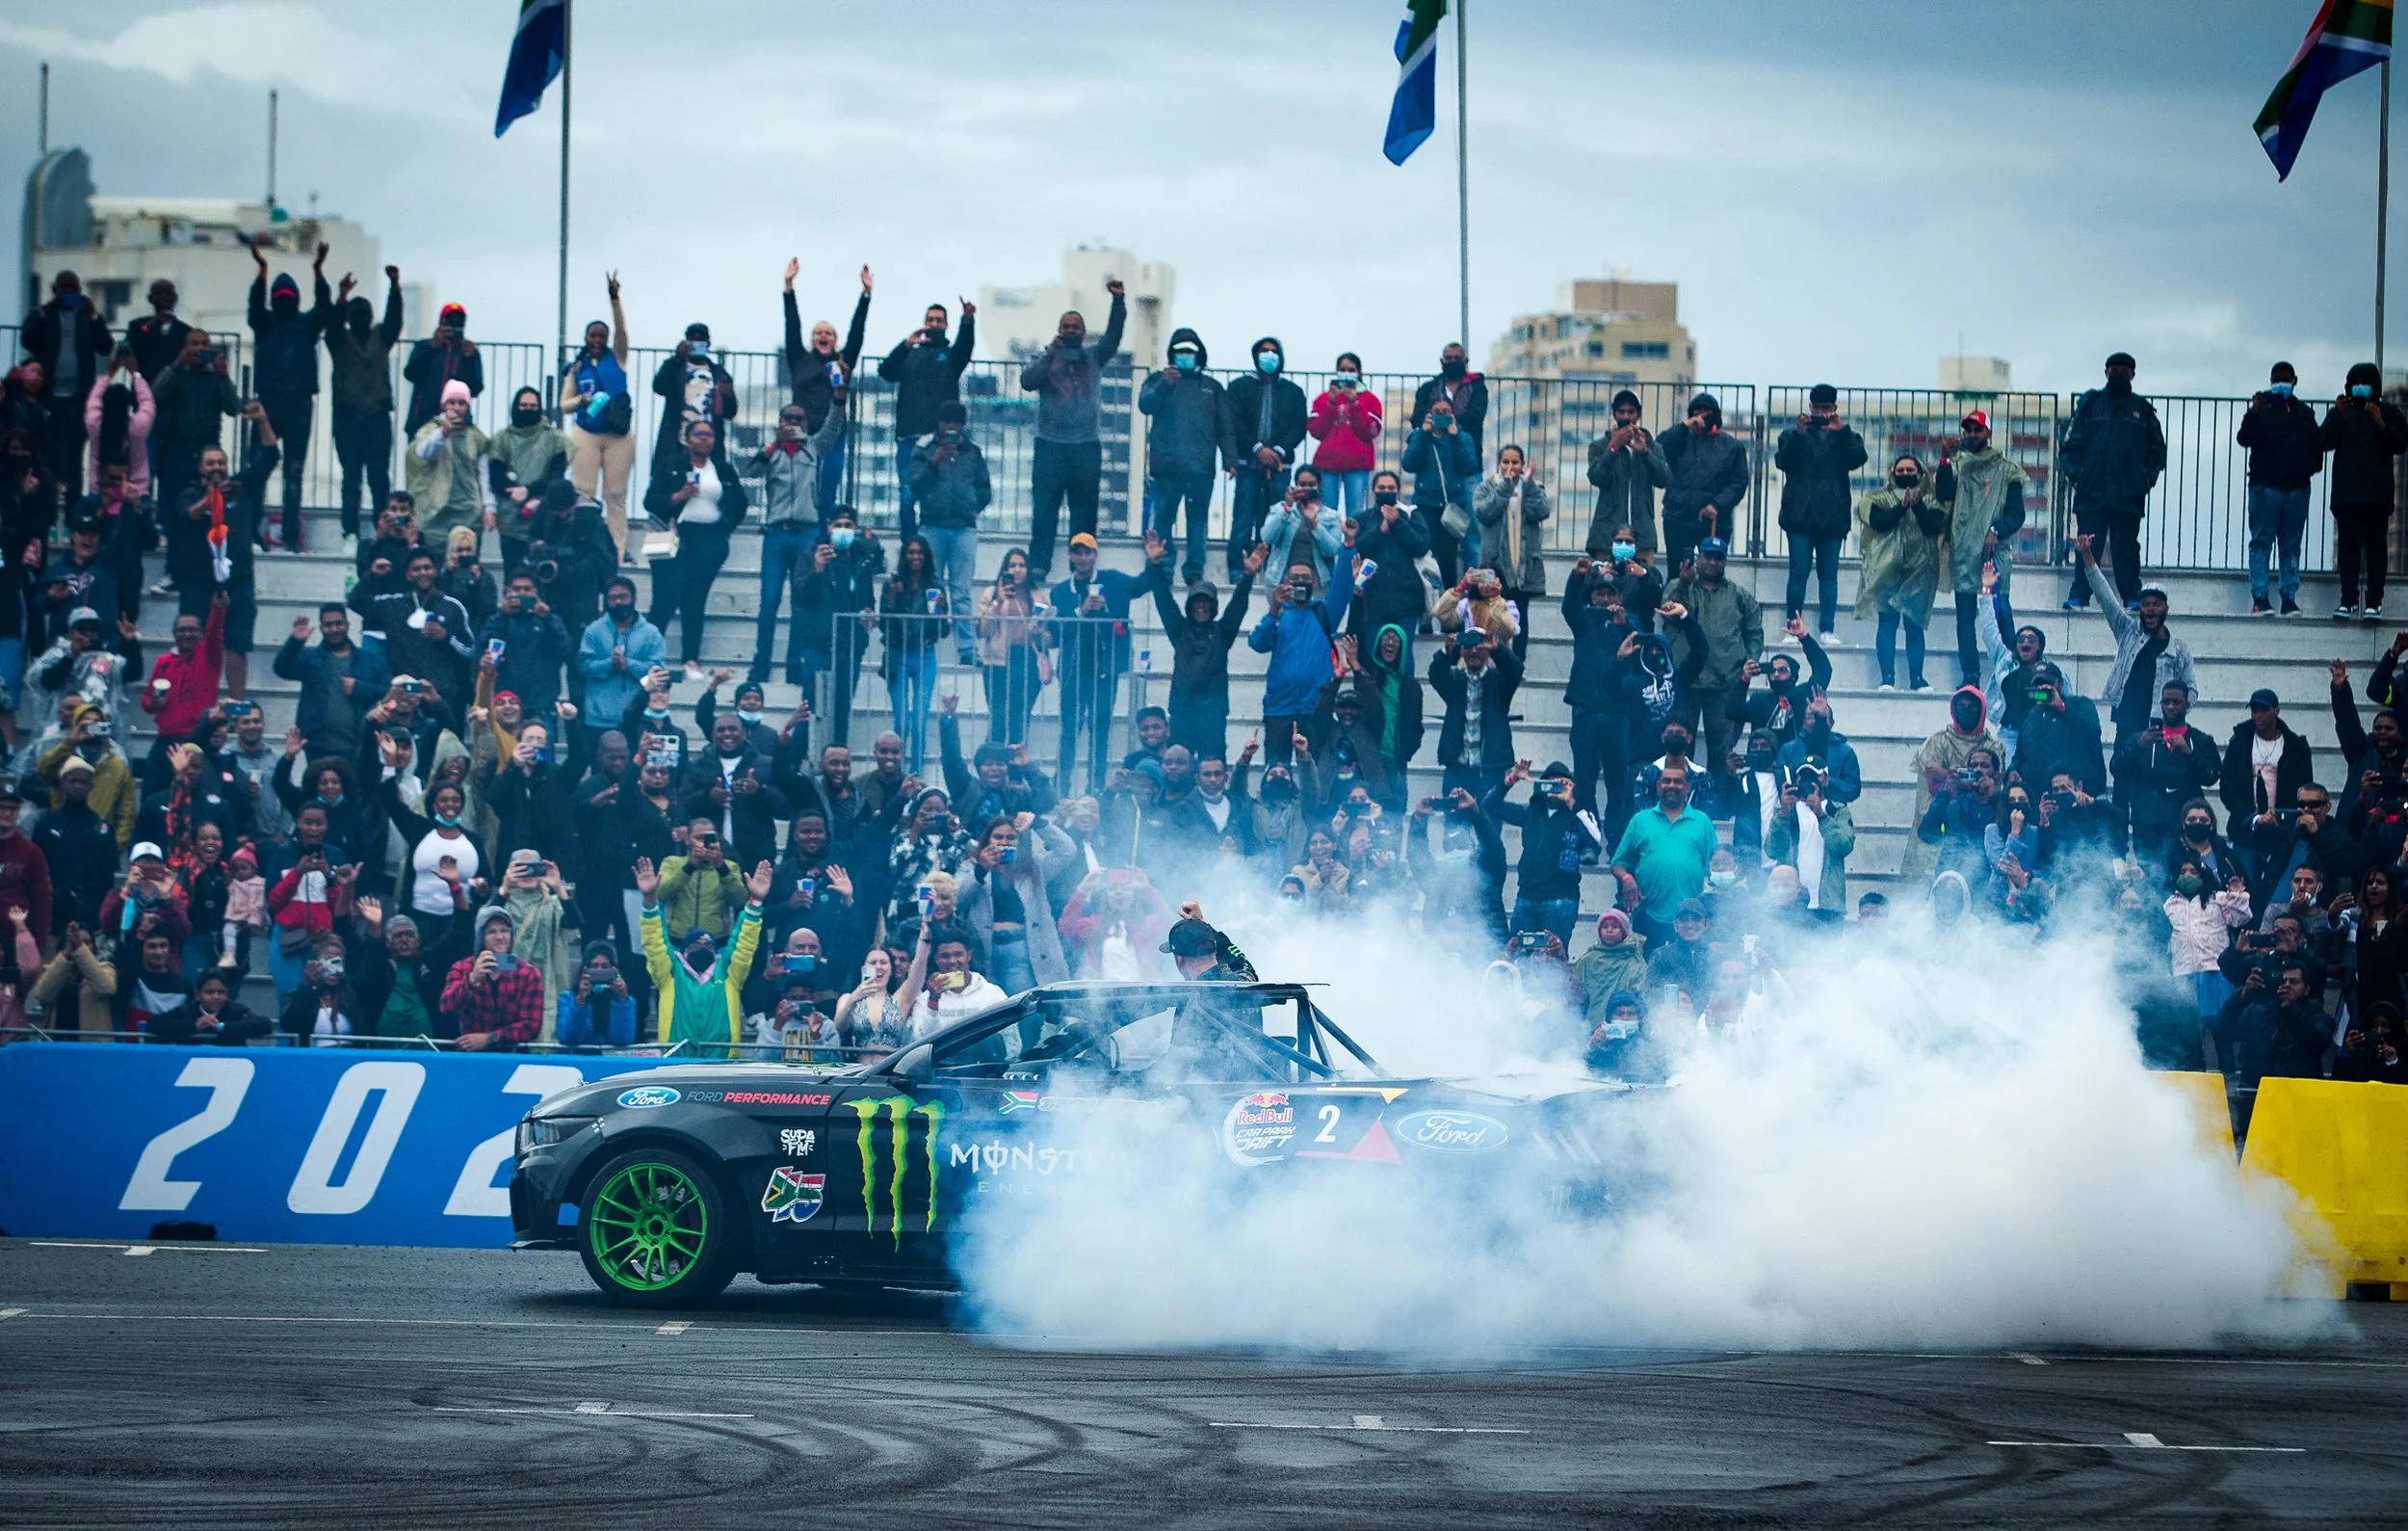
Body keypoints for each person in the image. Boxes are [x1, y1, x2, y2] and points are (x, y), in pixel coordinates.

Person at [1018, 278, 1126, 581]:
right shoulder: (1045, 357)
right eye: (1065, 326)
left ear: (1083, 332)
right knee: (1045, 509)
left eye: (1075, 326)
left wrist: (1118, 302)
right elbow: (1027, 382)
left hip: (1085, 446)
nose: (1070, 330)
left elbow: (1114, 337)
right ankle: (1039, 564)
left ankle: (1081, 565)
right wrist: (1050, 355)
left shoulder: (1093, 357)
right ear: (1058, 331)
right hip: (1050, 444)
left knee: (1084, 510)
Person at [170, 406, 275, 701]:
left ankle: (238, 706)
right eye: (210, 464)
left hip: (238, 579)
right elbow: (185, 516)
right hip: (198, 581)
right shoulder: (190, 493)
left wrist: (263, 420)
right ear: (201, 468)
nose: (216, 467)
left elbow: (269, 456)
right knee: (194, 642)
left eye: (220, 462)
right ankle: (193, 702)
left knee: (236, 642)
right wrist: (210, 501)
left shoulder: (242, 487)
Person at [750, 396, 849, 685]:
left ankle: (794, 662)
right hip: (777, 533)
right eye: (788, 418)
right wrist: (773, 445)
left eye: (799, 419)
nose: (794, 423)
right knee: (769, 600)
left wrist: (839, 400)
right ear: (780, 423)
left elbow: (833, 427)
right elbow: (752, 471)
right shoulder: (771, 452)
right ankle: (761, 662)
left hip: (806, 532)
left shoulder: (813, 448)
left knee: (799, 602)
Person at [2058, 352, 2167, 611]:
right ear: (2105, 372)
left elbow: (2157, 451)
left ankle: (2131, 597)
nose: (2119, 373)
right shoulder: (2090, 404)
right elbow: (2069, 447)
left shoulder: (2142, 409)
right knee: (2087, 547)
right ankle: (2080, 596)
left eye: (2124, 369)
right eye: (2114, 369)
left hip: (2128, 495)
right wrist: (2080, 478)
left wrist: (2143, 482)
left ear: (2133, 374)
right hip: (2091, 493)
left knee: (2126, 548)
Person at [643, 418, 749, 680]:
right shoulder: (671, 465)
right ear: (686, 439)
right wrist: (678, 496)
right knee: (665, 599)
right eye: (699, 434)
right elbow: (650, 500)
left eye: (710, 434)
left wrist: (724, 528)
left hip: (709, 538)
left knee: (694, 599)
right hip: (676, 535)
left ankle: (690, 660)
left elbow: (740, 502)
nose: (705, 439)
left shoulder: (722, 469)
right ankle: (648, 657)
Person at [634, 854, 771, 1053]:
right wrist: (649, 899)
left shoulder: (729, 974)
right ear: (684, 950)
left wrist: (756, 901)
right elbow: (654, 942)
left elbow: (745, 942)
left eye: (707, 945)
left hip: (722, 1065)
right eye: (696, 944)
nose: (702, 947)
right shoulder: (670, 973)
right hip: (675, 1063)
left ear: (715, 951)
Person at [243, 240, 331, 548]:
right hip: (267, 404)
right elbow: (254, 305)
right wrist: (261, 272)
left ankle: (291, 537)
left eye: (288, 297)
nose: (283, 301)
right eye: (278, 297)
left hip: (299, 406)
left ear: (296, 299)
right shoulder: (263, 323)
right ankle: (252, 532)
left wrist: (318, 270)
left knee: (294, 475)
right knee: (258, 470)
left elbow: (324, 309)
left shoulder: (307, 325)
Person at [2073, 534, 2197, 752]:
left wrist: (2175, 717)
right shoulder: (2127, 631)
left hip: (2159, 728)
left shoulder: (2179, 650)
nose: (2150, 608)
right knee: (2123, 776)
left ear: (2166, 609)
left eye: (2156, 604)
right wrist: (2086, 554)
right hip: (2127, 726)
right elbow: (2105, 596)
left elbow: (2191, 690)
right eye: (2146, 604)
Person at [1147, 527, 1259, 760]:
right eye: (1196, 601)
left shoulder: (1223, 632)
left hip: (1212, 713)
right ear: (1189, 605)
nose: (1201, 606)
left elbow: (1238, 607)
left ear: (1213, 605)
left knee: (1213, 764)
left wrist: (1247, 577)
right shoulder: (1179, 630)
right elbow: (1163, 600)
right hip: (1182, 710)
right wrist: (1155, 566)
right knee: (1180, 764)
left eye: (1206, 602)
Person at [1047, 533, 1145, 793]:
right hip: (1072, 671)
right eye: (1077, 552)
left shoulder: (1112, 579)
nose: (1082, 558)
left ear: (1095, 555)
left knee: (1099, 730)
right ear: (1070, 556)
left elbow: (1140, 586)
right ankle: (1061, 787)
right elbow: (1058, 632)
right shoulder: (1059, 591)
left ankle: (1096, 788)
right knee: (1069, 730)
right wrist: (1082, 610)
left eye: (1087, 552)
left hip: (1104, 670)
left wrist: (1154, 561)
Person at [1662, 536, 1763, 788]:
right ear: (1698, 558)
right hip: (1687, 682)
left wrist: (1751, 660)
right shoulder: (1679, 585)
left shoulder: (1740, 595)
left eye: (1718, 558)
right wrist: (1684, 584)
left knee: (1722, 747)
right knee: (1681, 743)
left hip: (1725, 682)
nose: (1712, 562)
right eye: (1707, 556)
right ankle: (1683, 797)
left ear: (1725, 561)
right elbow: (1669, 613)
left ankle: (1717, 803)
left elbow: (1754, 632)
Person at [1138, 328, 1232, 588]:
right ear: (1172, 354)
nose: (1185, 356)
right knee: (1165, 517)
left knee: (1198, 520)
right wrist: (1164, 386)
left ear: (1199, 354)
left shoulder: (1212, 387)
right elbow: (1145, 405)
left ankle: (1194, 569)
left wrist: (1230, 459)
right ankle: (1165, 567)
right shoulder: (1158, 379)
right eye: (1180, 351)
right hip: (1166, 467)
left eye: (1190, 352)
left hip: (1201, 468)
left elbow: (1225, 425)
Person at [321, 262, 406, 553]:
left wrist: (394, 287)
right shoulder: (338, 340)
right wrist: (341, 297)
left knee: (379, 476)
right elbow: (331, 325)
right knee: (351, 478)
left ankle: (382, 529)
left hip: (377, 416)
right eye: (354, 314)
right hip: (347, 417)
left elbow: (394, 320)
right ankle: (350, 531)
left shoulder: (381, 336)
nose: (360, 318)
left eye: (364, 313)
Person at [1772, 386, 1869, 638]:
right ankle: (1792, 628)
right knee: (1798, 573)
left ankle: (1827, 629)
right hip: (1799, 516)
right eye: (1817, 408)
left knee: (1829, 575)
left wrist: (1843, 431)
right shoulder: (1792, 434)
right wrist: (1800, 435)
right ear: (1810, 407)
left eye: (1826, 408)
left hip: (1832, 516)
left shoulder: (1845, 436)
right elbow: (1783, 462)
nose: (1821, 413)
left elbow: (1858, 458)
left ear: (1834, 409)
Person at [877, 299, 977, 542]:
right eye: (930, 320)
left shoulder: (952, 357)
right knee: (907, 496)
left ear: (946, 325)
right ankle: (910, 547)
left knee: (938, 494)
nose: (934, 324)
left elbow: (965, 347)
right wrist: (905, 345)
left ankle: (931, 547)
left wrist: (968, 320)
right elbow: (886, 371)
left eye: (939, 321)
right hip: (908, 437)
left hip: (939, 441)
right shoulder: (909, 355)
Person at [780, 259, 873, 517]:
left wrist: (866, 295)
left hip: (833, 434)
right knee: (799, 485)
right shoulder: (800, 359)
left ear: (834, 340)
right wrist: (789, 288)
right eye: (818, 332)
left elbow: (857, 333)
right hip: (802, 433)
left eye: (828, 333)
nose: (823, 335)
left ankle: (822, 538)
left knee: (827, 491)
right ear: (812, 340)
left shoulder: (842, 362)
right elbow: (792, 326)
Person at [2320, 361, 2408, 620]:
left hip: (2376, 496)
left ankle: (2374, 601)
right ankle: (2347, 600)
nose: (2360, 388)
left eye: (2365, 383)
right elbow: (2323, 441)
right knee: (2348, 550)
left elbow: (2401, 442)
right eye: (2355, 383)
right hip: (2347, 496)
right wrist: (2335, 415)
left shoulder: (2388, 411)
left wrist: (2381, 423)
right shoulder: (2342, 412)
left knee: (2375, 549)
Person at [20, 271, 114, 508]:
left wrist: (93, 317)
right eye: (64, 288)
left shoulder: (88, 317)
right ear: (55, 290)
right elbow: (27, 340)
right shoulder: (43, 314)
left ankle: (73, 512)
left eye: (73, 288)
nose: (69, 293)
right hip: (48, 396)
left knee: (73, 457)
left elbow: (106, 346)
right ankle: (47, 508)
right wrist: (44, 313)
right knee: (47, 453)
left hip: (77, 397)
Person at [2238, 361, 2324, 616]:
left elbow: (2317, 443)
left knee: (2290, 545)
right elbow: (2244, 438)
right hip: (2266, 487)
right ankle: (2260, 598)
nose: (2281, 383)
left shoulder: (2304, 414)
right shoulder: (2260, 410)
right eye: (2277, 378)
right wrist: (2253, 412)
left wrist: (2309, 468)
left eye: (2285, 378)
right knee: (2262, 542)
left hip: (2296, 488)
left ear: (2294, 381)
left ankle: (2289, 598)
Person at [910, 401, 992, 666]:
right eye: (947, 422)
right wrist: (934, 463)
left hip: (963, 528)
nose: (952, 427)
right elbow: (915, 485)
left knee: (961, 591)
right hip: (932, 525)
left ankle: (967, 648)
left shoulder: (972, 452)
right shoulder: (924, 449)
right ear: (939, 423)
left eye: (957, 422)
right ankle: (928, 638)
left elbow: (984, 490)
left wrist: (970, 507)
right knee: (931, 586)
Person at [560, 274, 636, 555]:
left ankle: (617, 549)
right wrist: (581, 399)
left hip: (618, 434)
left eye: (602, 336)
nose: (598, 340)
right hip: (587, 432)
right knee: (584, 492)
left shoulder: (617, 357)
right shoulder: (577, 368)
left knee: (615, 494)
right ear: (586, 338)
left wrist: (614, 298)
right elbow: (563, 404)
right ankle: (588, 547)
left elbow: (622, 331)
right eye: (593, 336)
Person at [1222, 336, 1308, 583]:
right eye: (1264, 351)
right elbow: (1234, 421)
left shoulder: (1293, 391)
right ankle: (1238, 570)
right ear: (1255, 355)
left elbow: (1299, 426)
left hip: (1280, 467)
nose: (1268, 355)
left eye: (1273, 351)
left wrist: (1278, 451)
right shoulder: (1239, 387)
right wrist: (1258, 449)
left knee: (1276, 519)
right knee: (1243, 517)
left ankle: (1274, 569)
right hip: (1248, 464)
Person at [793, 506, 884, 737]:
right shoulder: (812, 553)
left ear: (855, 529)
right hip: (818, 644)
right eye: (838, 525)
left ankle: (837, 759)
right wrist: (817, 569)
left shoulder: (860, 558)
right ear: (829, 528)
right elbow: (801, 596)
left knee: (842, 707)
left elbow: (866, 597)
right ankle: (804, 758)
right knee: (811, 706)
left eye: (848, 526)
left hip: (849, 645)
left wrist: (868, 614)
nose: (843, 530)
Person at [1855, 453, 1944, 691]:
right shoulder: (1877, 498)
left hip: (1919, 572)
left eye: (1910, 470)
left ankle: (1917, 679)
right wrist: (1901, 507)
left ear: (1920, 473)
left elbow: (1932, 526)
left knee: (1914, 625)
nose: (1905, 474)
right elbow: (1878, 522)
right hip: (1887, 571)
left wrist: (1917, 505)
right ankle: (1887, 679)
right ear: (1893, 473)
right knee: (1887, 623)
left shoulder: (1931, 500)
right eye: (1900, 470)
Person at [1488, 759, 1600, 945]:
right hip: (1526, 896)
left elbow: (1595, 840)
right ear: (1542, 786)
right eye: (1551, 782)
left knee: (1553, 960)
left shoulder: (1579, 814)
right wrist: (1513, 778)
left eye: (1561, 783)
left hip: (1560, 900)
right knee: (1518, 955)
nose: (1556, 787)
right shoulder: (1530, 811)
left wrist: (1571, 801)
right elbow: (1490, 805)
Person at [2114, 681, 2222, 869]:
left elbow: (2212, 776)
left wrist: (2188, 752)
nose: (2170, 707)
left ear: (2187, 705)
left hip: (2186, 827)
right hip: (2147, 826)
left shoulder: (2200, 740)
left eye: (2176, 702)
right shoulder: (2142, 738)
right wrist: (2138, 744)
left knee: (2188, 877)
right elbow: (2116, 768)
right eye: (2166, 702)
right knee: (2152, 884)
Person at [1613, 765, 1717, 949]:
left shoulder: (1702, 821)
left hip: (1689, 918)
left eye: (1678, 782)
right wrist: (1627, 879)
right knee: (1650, 972)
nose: (1672, 785)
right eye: (1666, 781)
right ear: (1658, 786)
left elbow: (1714, 864)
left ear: (1688, 788)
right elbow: (1618, 863)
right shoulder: (1640, 820)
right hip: (1649, 915)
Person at [149, 330, 241, 521]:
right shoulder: (175, 374)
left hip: (207, 448)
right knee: (171, 496)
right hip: (176, 448)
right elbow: (154, 396)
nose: (199, 348)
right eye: (194, 344)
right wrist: (176, 365)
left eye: (204, 344)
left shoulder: (216, 378)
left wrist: (224, 376)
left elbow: (233, 408)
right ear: (185, 348)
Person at [1473, 446, 1552, 662]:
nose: (1511, 467)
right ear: (1499, 463)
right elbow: (1484, 513)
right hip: (1495, 565)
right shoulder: (1487, 488)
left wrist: (1528, 485)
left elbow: (1542, 511)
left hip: (1523, 565)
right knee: (1493, 614)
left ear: (1523, 464)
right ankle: (1493, 659)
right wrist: (1506, 487)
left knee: (1520, 616)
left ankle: (1518, 663)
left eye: (1515, 462)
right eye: (1506, 462)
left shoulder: (1533, 487)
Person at [878, 535, 947, 773]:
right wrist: (892, 598)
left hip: (924, 655)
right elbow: (883, 624)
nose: (915, 557)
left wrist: (940, 610)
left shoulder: (936, 586)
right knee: (902, 722)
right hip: (897, 656)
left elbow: (943, 630)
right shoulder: (892, 584)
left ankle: (915, 774)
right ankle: (895, 773)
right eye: (911, 552)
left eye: (920, 553)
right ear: (904, 556)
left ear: (926, 556)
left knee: (919, 721)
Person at [1659, 393, 1749, 571]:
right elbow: (1659, 449)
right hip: (1678, 516)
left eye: (1706, 412)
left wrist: (1717, 505)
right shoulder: (1680, 439)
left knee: (1711, 572)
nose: (1701, 416)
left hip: (1714, 519)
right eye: (1696, 412)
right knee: (1677, 572)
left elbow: (1739, 482)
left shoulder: (1732, 446)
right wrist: (1683, 428)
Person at [1429, 631, 1523, 803]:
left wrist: (1497, 649)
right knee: (1454, 826)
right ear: (1462, 651)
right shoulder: (1454, 680)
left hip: (1491, 769)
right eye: (1468, 647)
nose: (1474, 651)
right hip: (1457, 768)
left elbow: (1516, 670)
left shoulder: (1498, 682)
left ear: (1487, 651)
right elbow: (1435, 674)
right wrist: (1447, 651)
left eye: (1479, 647)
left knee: (1490, 824)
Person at [438, 905, 545, 1052]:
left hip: (512, 1054)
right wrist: (472, 980)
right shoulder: (461, 968)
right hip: (471, 1054)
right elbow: (445, 1006)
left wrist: (490, 1038)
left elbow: (532, 1025)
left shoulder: (529, 973)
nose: (500, 937)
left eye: (504, 931)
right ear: (481, 937)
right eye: (492, 932)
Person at [973, 550, 1051, 748]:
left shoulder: (1038, 596)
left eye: (1022, 565)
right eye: (1013, 565)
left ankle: (1015, 775)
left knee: (1020, 722)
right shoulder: (991, 593)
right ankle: (992, 769)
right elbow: (983, 630)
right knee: (998, 721)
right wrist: (998, 602)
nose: (1017, 570)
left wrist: (1039, 631)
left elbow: (1049, 638)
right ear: (1005, 569)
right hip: (998, 661)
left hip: (1027, 660)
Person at [487, 386, 569, 574]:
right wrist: (514, 491)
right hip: (511, 518)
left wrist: (532, 494)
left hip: (544, 516)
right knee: (513, 573)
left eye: (533, 406)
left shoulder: (554, 438)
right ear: (515, 407)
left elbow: (556, 476)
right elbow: (496, 475)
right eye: (523, 405)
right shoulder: (502, 438)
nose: (528, 409)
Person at [576, 576, 666, 746]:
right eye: (613, 598)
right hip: (599, 718)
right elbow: (583, 666)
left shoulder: (651, 633)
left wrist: (628, 665)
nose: (618, 602)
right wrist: (610, 664)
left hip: (639, 716)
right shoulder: (593, 631)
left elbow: (658, 671)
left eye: (623, 597)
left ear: (634, 599)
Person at [1402, 395, 1480, 588]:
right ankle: (1426, 606)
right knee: (1425, 556)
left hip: (1450, 507)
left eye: (1446, 412)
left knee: (1447, 560)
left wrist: (1455, 438)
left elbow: (1470, 466)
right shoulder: (1419, 436)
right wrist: (1423, 433)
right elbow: (1409, 464)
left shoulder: (1463, 437)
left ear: (1453, 414)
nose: (1441, 416)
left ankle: (1448, 608)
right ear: (1428, 414)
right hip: (1425, 504)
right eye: (1436, 412)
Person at [406, 381, 493, 549]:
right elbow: (424, 453)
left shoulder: (476, 437)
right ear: (444, 405)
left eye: (462, 403)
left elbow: (484, 476)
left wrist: (489, 508)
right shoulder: (430, 430)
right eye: (452, 402)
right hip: (435, 513)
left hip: (468, 512)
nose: (457, 407)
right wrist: (443, 433)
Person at [1586, 390, 1671, 558]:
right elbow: (1596, 477)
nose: (1626, 416)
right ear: (1614, 414)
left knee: (1644, 580)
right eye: (1621, 411)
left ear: (1638, 414)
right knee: (1604, 580)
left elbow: (1664, 479)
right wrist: (1613, 447)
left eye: (1631, 412)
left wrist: (1645, 453)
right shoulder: (1599, 446)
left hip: (1642, 534)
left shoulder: (1652, 447)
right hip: (1607, 534)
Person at [1766, 762, 1854, 921]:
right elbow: (1773, 850)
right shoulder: (1787, 812)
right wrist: (1783, 813)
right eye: (1803, 776)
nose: (1808, 781)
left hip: (1828, 904)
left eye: (1814, 776)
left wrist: (1821, 815)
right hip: (1790, 903)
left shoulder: (1838, 810)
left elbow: (1843, 846)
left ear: (1825, 779)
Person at [900, 922, 1010, 1040]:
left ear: (969, 955)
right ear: (936, 959)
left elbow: (1010, 1039)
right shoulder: (924, 1000)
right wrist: (933, 1002)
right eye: (945, 956)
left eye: (958, 954)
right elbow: (920, 1042)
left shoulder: (993, 994)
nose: (952, 961)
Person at [651, 322, 737, 473]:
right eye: (692, 339)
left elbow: (730, 412)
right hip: (677, 440)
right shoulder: (675, 367)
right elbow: (659, 387)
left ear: (709, 343)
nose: (697, 343)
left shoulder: (719, 373)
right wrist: (677, 358)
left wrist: (728, 395)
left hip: (708, 442)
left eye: (701, 339)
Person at [1305, 354, 1382, 522]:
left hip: (1358, 464)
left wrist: (1355, 405)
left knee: (1355, 515)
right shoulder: (1323, 399)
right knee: (1326, 513)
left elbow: (1369, 432)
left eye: (1351, 370)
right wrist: (1331, 405)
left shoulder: (1370, 400)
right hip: (1327, 463)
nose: (1346, 373)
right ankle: (1328, 548)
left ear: (1359, 372)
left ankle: (1352, 547)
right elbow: (1317, 431)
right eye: (1342, 369)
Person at [402, 301, 483, 436]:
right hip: (423, 419)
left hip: (457, 421)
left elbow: (475, 389)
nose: (454, 325)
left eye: (458, 321)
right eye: (450, 321)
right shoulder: (423, 346)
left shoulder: (469, 351)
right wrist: (432, 348)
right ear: (441, 323)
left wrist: (469, 360)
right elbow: (410, 374)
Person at [152, 968, 269, 1047]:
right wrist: (193, 1026)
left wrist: (223, 1027)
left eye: (221, 992)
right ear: (198, 995)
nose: (216, 996)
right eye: (209, 992)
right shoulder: (186, 1011)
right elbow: (154, 1023)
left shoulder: (236, 1011)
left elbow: (265, 1024)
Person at [556, 939, 638, 1048]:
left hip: (609, 1060)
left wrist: (622, 1001)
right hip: (578, 1058)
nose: (599, 970)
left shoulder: (625, 1001)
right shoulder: (568, 998)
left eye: (605, 966)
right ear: (585, 969)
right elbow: (568, 1038)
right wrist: (580, 1001)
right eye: (594, 966)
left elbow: (623, 1040)